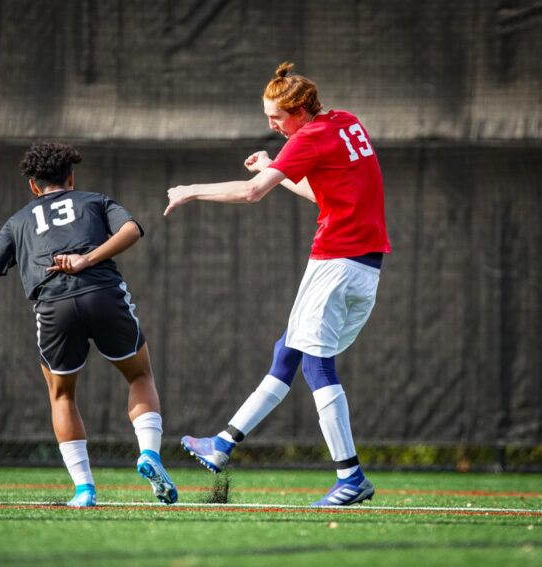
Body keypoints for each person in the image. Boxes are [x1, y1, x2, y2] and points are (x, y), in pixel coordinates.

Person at [165, 62, 390, 506]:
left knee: (315, 366)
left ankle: (351, 477)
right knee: (287, 351)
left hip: (336, 262)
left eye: (277, 117)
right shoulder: (343, 122)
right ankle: (223, 443)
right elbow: (318, 192)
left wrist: (191, 189)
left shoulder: (308, 137)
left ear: (302, 110)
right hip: (364, 265)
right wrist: (275, 164)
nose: (271, 124)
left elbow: (252, 193)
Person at [0, 142, 177, 507]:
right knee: (139, 376)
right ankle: (149, 455)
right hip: (103, 294)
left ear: (33, 186)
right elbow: (131, 231)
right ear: (71, 177)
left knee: (62, 394)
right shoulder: (95, 201)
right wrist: (85, 259)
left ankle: (84, 489)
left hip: (53, 306)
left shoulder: (18, 222)